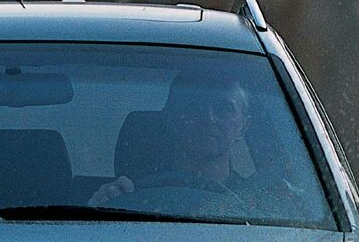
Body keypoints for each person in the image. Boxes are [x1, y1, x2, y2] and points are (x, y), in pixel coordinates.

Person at [90, 66, 252, 205]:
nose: (209, 118)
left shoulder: (259, 205)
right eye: (194, 106)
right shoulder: (124, 196)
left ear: (244, 127)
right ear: (169, 118)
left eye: (224, 108)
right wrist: (98, 208)